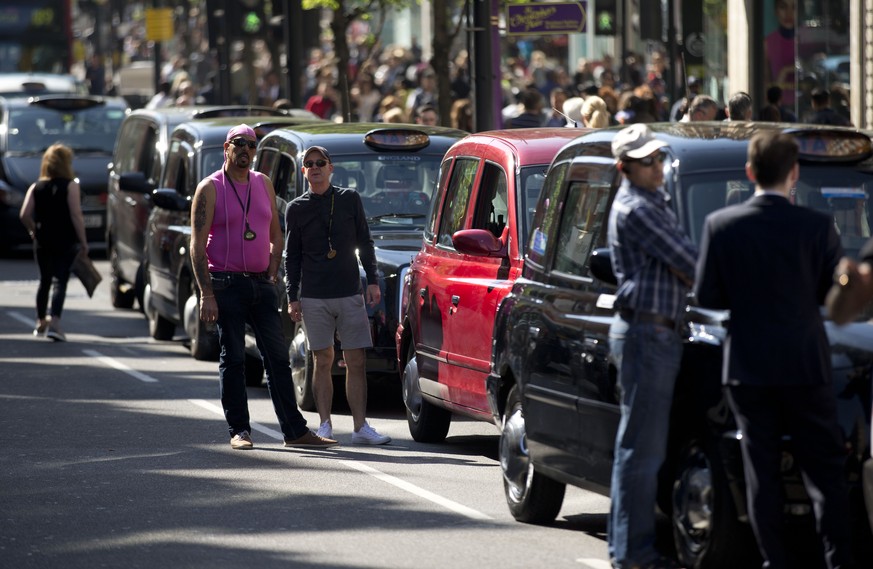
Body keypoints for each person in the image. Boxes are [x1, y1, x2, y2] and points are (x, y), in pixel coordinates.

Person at [694, 131, 854, 569]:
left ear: (749, 173)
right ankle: (837, 558)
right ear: (795, 173)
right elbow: (832, 298)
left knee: (760, 470)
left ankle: (775, 561)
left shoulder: (721, 225)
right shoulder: (817, 226)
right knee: (823, 471)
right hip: (805, 360)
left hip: (748, 365)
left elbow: (707, 296)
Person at [190, 125, 337, 450]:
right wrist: (206, 293)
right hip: (224, 283)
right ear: (227, 147)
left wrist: (272, 268)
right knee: (234, 358)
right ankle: (240, 431)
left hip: (261, 284)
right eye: (239, 144)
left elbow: (276, 234)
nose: (246, 150)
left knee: (278, 358)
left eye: (251, 146)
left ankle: (295, 431)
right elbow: (196, 246)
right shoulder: (210, 187)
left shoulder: (263, 183)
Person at [606, 124, 697, 569]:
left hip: (654, 330)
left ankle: (629, 549)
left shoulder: (650, 201)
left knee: (640, 448)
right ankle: (633, 553)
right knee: (642, 450)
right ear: (626, 168)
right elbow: (690, 261)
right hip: (648, 333)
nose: (658, 166)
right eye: (648, 162)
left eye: (659, 158)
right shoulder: (638, 208)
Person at [284, 145, 391, 445]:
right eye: (309, 164)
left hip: (349, 292)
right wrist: (293, 296)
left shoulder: (349, 199)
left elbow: (365, 242)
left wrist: (372, 279)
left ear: (331, 168)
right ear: (304, 171)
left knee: (356, 359)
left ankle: (360, 427)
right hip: (315, 295)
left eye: (321, 162)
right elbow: (291, 257)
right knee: (322, 360)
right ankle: (325, 425)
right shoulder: (296, 208)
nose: (315, 167)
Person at [18, 144, 89, 342]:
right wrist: (83, 241)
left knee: (44, 281)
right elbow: (76, 215)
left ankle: (40, 321)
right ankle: (55, 323)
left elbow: (24, 214)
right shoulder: (71, 185)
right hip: (64, 240)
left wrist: (33, 229)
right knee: (60, 281)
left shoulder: (36, 186)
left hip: (42, 239)